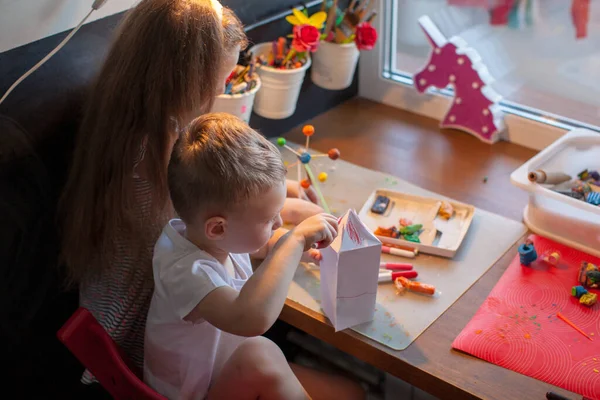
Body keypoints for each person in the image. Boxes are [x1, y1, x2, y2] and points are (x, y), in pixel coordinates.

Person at [59, 0, 322, 383]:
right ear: (183, 80)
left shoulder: (139, 127)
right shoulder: (147, 164)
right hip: (155, 363)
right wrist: (286, 234)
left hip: (191, 345)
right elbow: (230, 250)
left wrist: (273, 196)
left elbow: (225, 224)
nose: (219, 92)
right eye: (218, 83)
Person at [145, 113, 364, 400]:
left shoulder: (212, 236)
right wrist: (293, 241)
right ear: (218, 228)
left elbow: (256, 239)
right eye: (271, 219)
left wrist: (307, 228)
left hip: (228, 373)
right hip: (197, 393)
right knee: (260, 353)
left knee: (351, 393)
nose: (278, 223)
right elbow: (250, 319)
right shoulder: (185, 270)